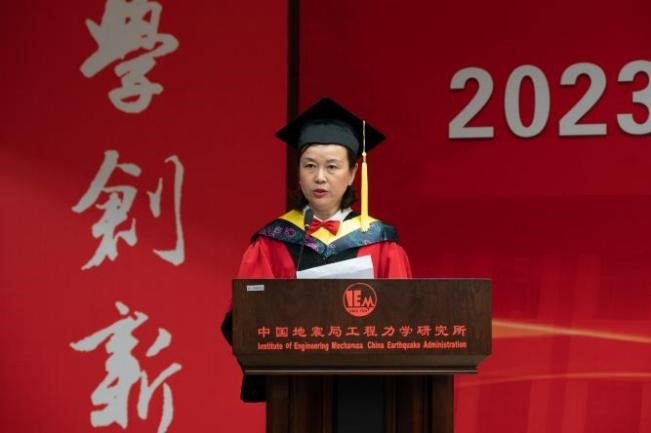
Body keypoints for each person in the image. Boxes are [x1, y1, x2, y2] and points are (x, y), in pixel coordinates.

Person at [221, 97, 412, 407]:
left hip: (366, 390)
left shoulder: (381, 242)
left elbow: (403, 319)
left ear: (352, 173)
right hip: (294, 391)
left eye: (332, 166)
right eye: (309, 165)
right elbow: (244, 320)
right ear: (298, 173)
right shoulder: (272, 241)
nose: (319, 177)